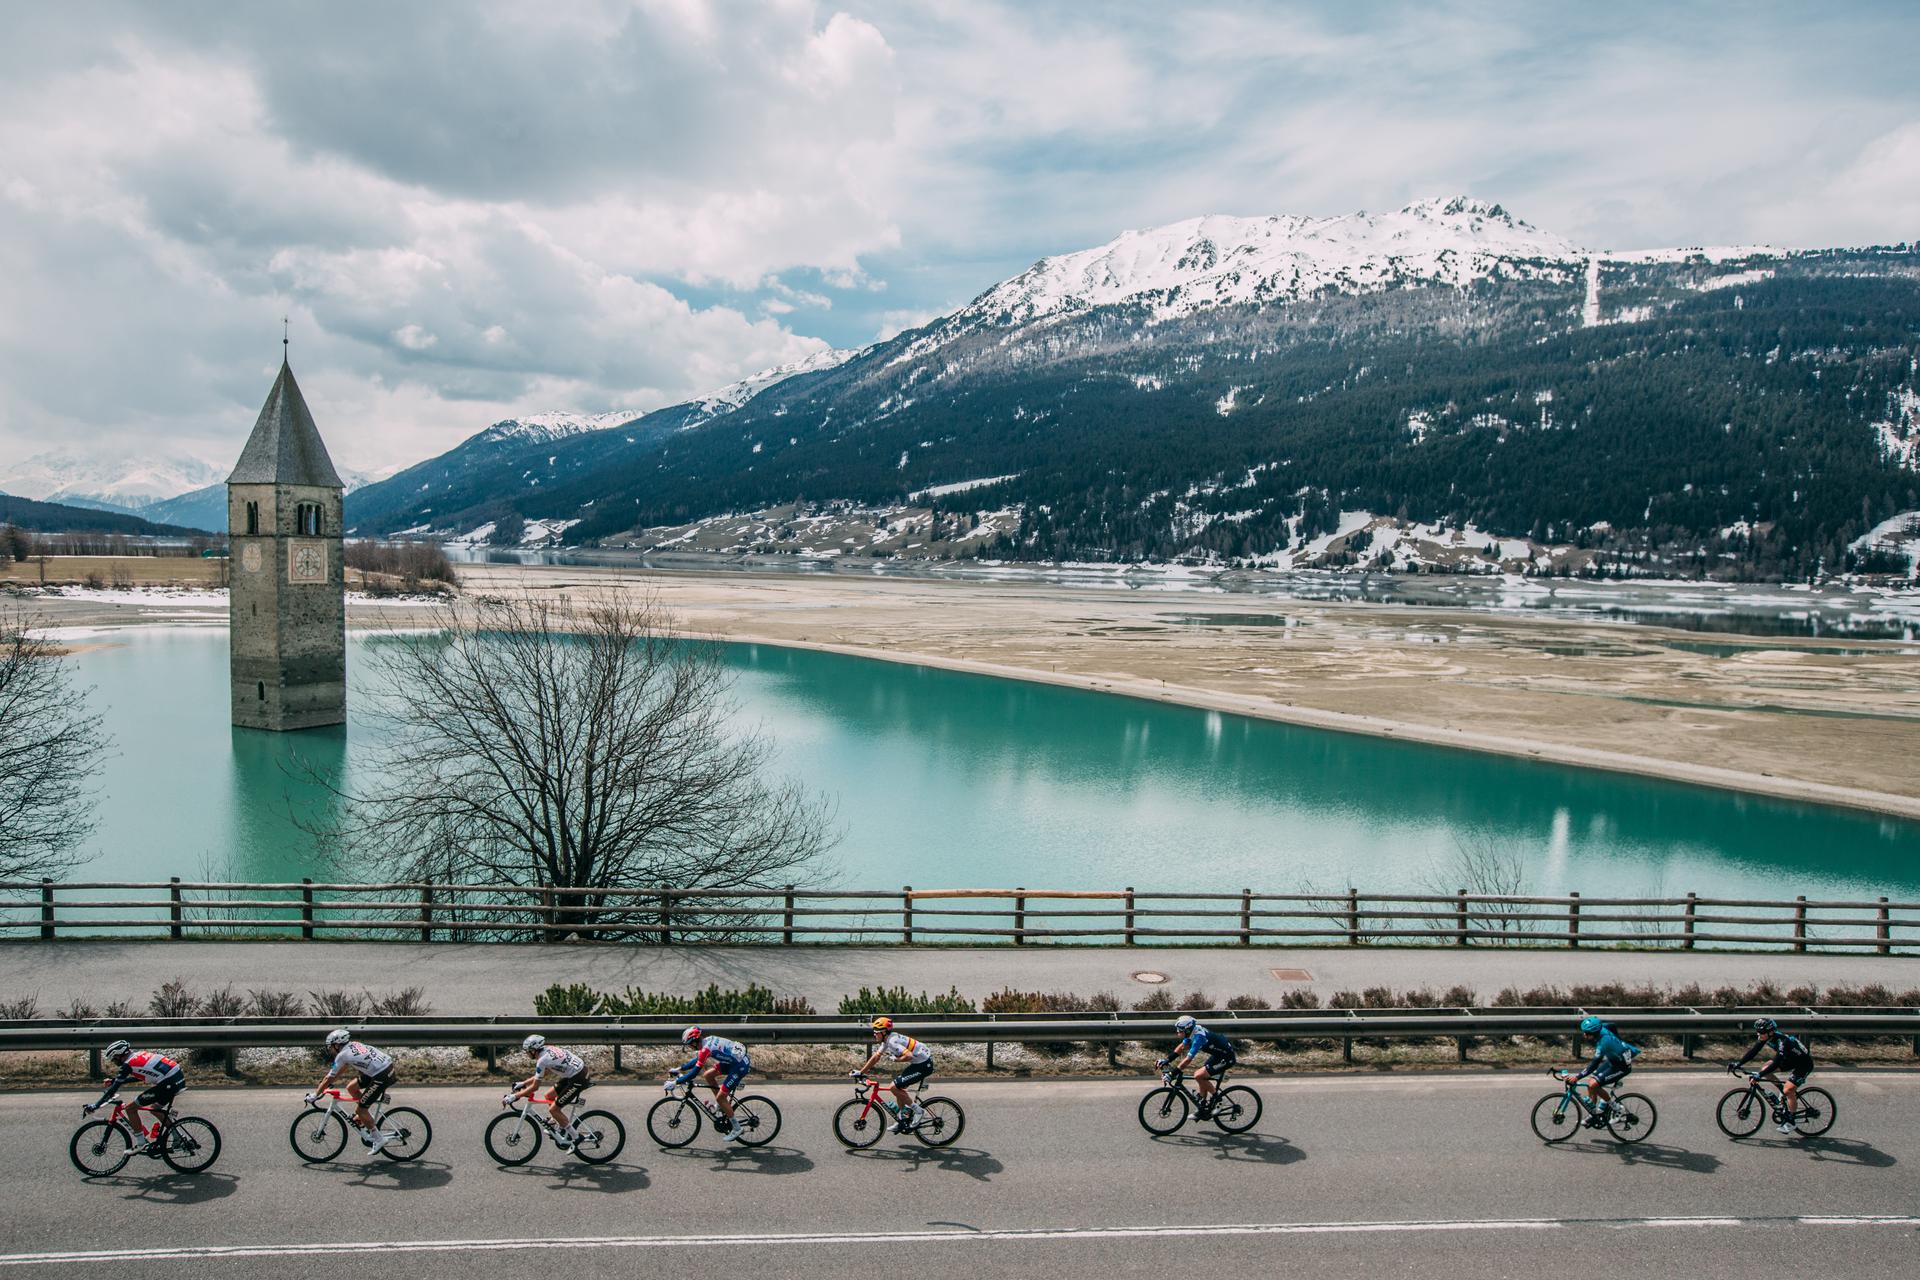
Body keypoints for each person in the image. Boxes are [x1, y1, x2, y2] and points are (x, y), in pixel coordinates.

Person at [85, 1040, 184, 1156]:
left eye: (114, 1059)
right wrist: (114, 1080)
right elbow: (143, 1075)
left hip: (169, 1083)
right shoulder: (137, 1056)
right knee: (155, 1109)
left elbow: (113, 1090)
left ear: (119, 1055)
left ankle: (141, 1143)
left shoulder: (127, 1064)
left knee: (130, 1109)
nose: (114, 1062)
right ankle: (178, 1138)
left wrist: (95, 1105)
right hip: (176, 1079)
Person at [310, 1029, 397, 1155]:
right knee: (351, 1087)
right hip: (382, 1068)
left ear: (337, 1045)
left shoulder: (342, 1055)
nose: (330, 1050)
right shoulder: (353, 1045)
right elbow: (342, 1068)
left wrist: (315, 1095)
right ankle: (366, 1117)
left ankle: (379, 1139)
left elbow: (329, 1077)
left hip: (381, 1075)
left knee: (360, 1111)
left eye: (331, 1047)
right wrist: (328, 1083)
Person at [1730, 1017, 1815, 1135]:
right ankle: (1783, 1095)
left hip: (1803, 1064)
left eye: (1761, 1032)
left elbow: (1776, 1063)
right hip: (1790, 1060)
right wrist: (1738, 1064)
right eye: (1757, 1032)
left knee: (1788, 1090)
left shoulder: (1783, 1042)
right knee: (1766, 1069)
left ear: (1770, 1032)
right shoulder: (1766, 1037)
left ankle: (1791, 1121)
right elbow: (1754, 1051)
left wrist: (1759, 1075)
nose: (1759, 1035)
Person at [505, 1034, 591, 1149]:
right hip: (574, 1074)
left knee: (554, 1109)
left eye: (527, 1051)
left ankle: (576, 1137)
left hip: (578, 1078)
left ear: (533, 1050)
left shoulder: (542, 1060)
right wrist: (524, 1083)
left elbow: (535, 1087)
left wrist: (515, 1096)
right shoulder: (547, 1050)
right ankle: (558, 1123)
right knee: (549, 1096)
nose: (526, 1053)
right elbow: (545, 1072)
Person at [668, 1026, 753, 1142]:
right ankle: (723, 1106)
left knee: (720, 1097)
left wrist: (676, 1082)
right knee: (708, 1075)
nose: (689, 1047)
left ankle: (737, 1128)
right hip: (734, 1061)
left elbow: (694, 1073)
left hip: (739, 1066)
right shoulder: (708, 1041)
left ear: (694, 1042)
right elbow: (698, 1060)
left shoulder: (706, 1048)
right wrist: (679, 1069)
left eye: (689, 1044)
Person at [854, 1016, 933, 1133]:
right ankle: (902, 1120)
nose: (874, 1034)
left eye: (876, 1032)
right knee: (898, 1087)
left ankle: (919, 1111)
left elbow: (909, 1055)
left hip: (923, 1065)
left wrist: (896, 1060)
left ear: (884, 1032)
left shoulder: (892, 1041)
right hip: (919, 1063)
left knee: (893, 1087)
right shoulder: (887, 1040)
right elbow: (876, 1057)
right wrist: (861, 1072)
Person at [1570, 1014, 1641, 1124]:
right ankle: (1593, 1114)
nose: (1584, 1035)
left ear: (1594, 1033)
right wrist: (1619, 1041)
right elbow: (1612, 1026)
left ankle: (1618, 1109)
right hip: (1614, 1060)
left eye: (1587, 1033)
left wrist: (1577, 1077)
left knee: (1594, 1085)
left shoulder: (1604, 1043)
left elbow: (1594, 1064)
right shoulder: (1601, 1027)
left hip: (1621, 1067)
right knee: (1591, 1082)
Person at [1162, 1014, 1236, 1115]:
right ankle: (1202, 1108)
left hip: (1227, 1058)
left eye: (1180, 1030)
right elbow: (1182, 1046)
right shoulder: (1192, 1032)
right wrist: (1167, 1060)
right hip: (1218, 1055)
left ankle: (1219, 1100)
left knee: (1198, 1075)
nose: (1177, 1032)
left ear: (1187, 1030)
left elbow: (1188, 1059)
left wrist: (1173, 1073)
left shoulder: (1198, 1037)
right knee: (1201, 1076)